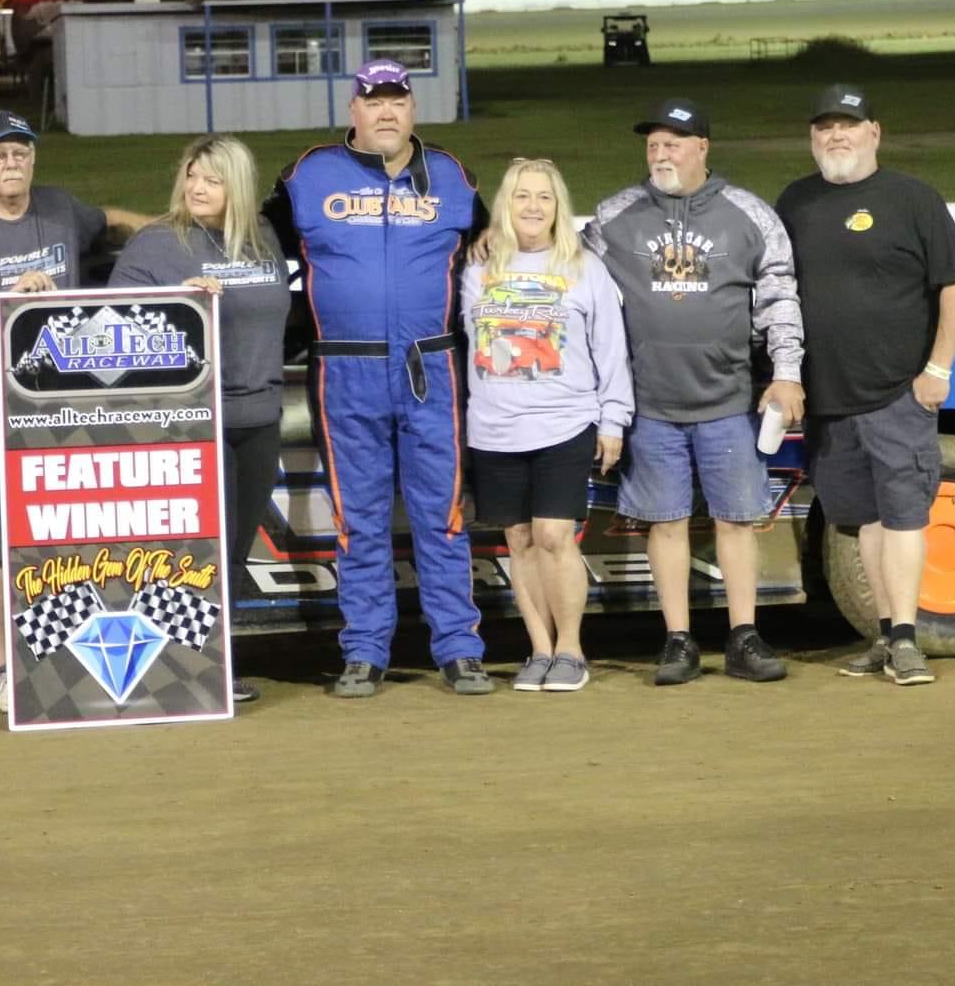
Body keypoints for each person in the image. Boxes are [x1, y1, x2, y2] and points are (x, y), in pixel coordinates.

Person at [264, 58, 491, 699]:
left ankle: (459, 650)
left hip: (432, 366)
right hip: (345, 367)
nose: (386, 111)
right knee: (358, 518)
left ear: (413, 108)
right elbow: (253, 249)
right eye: (373, 100)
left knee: (441, 514)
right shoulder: (305, 176)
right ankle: (364, 651)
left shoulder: (454, 177)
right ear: (353, 111)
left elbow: (493, 246)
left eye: (397, 100)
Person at [0, 111, 146, 711]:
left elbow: (115, 223)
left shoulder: (59, 208)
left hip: (60, 407)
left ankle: (70, 656)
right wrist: (3, 300)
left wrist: (181, 231)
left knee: (69, 534)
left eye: (21, 152)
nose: (12, 162)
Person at [584, 98, 806, 686]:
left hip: (729, 401)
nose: (661, 153)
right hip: (649, 405)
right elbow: (570, 281)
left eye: (674, 143)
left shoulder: (748, 214)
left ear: (702, 148)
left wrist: (786, 373)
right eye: (653, 144)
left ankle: (743, 636)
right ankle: (678, 640)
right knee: (667, 523)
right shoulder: (613, 217)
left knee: (737, 520)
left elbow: (780, 298)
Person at [776, 83, 955, 687]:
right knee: (863, 521)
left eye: (848, 126)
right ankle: (886, 636)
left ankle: (910, 639)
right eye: (824, 128)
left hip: (897, 392)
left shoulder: (911, 199)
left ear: (874, 133)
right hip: (828, 400)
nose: (836, 137)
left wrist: (937, 369)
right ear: (813, 138)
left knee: (903, 518)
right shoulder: (795, 201)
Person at [109, 134, 289, 706]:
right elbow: (108, 332)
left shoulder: (261, 236)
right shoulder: (160, 244)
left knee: (234, 549)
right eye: (191, 176)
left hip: (259, 414)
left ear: (236, 185)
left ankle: (214, 661)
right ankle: (182, 668)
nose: (197, 188)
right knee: (193, 552)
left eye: (211, 179)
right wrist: (174, 302)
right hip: (191, 419)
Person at [461, 157, 632, 694]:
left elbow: (612, 350)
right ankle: (537, 648)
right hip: (494, 428)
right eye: (521, 196)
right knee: (519, 540)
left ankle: (571, 650)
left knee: (554, 535)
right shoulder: (477, 270)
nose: (533, 206)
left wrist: (614, 420)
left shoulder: (585, 269)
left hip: (566, 423)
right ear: (504, 207)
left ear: (559, 207)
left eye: (545, 197)